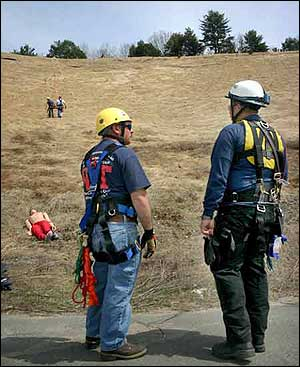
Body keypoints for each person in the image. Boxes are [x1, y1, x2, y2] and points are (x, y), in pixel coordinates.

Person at [200, 80, 288, 360]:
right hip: (267, 212)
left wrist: (208, 213)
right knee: (255, 270)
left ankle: (239, 342)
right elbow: (282, 174)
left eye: (231, 103)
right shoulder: (275, 135)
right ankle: (257, 338)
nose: (230, 108)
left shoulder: (232, 133)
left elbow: (219, 177)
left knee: (227, 269)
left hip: (237, 211)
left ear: (237, 105)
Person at [79, 107, 157, 361]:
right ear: (116, 128)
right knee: (119, 287)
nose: (132, 130)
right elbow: (139, 197)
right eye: (128, 125)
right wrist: (149, 231)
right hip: (120, 227)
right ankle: (113, 342)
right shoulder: (125, 155)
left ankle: (94, 334)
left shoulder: (89, 157)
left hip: (97, 231)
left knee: (100, 283)